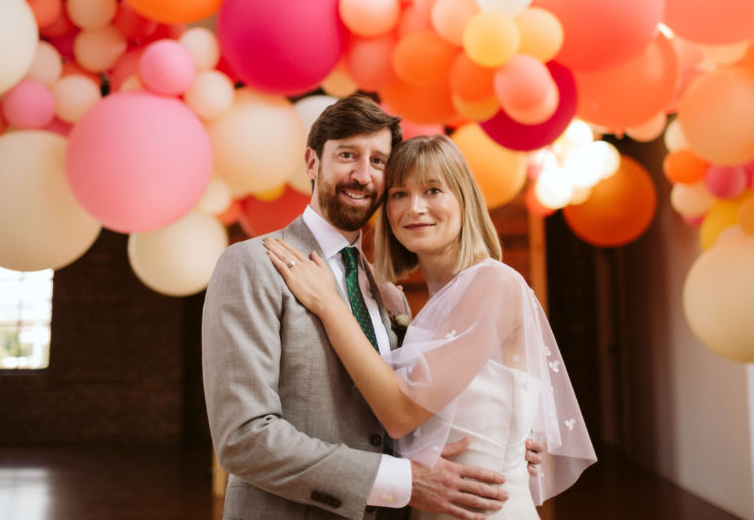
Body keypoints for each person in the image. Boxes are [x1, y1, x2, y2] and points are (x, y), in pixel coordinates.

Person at [203, 94, 540, 520]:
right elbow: (244, 439)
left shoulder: (390, 295)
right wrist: (403, 481)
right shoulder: (253, 265)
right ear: (311, 163)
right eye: (347, 155)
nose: (363, 175)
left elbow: (406, 410)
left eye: (379, 161)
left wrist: (505, 436)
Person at [264, 134, 597, 519]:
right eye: (399, 194)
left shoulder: (495, 283)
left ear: (464, 200)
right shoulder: (421, 306)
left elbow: (402, 412)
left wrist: (328, 304)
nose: (414, 208)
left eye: (433, 190)